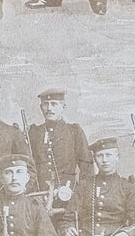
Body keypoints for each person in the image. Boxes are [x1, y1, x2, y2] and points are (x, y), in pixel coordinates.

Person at [28, 88, 93, 219]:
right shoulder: (34, 132)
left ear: (63, 106)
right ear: (41, 108)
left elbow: (87, 167)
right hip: (40, 196)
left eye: (54, 104)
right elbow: (28, 166)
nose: (49, 108)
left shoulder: (73, 131)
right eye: (46, 104)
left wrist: (80, 195)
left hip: (67, 196)